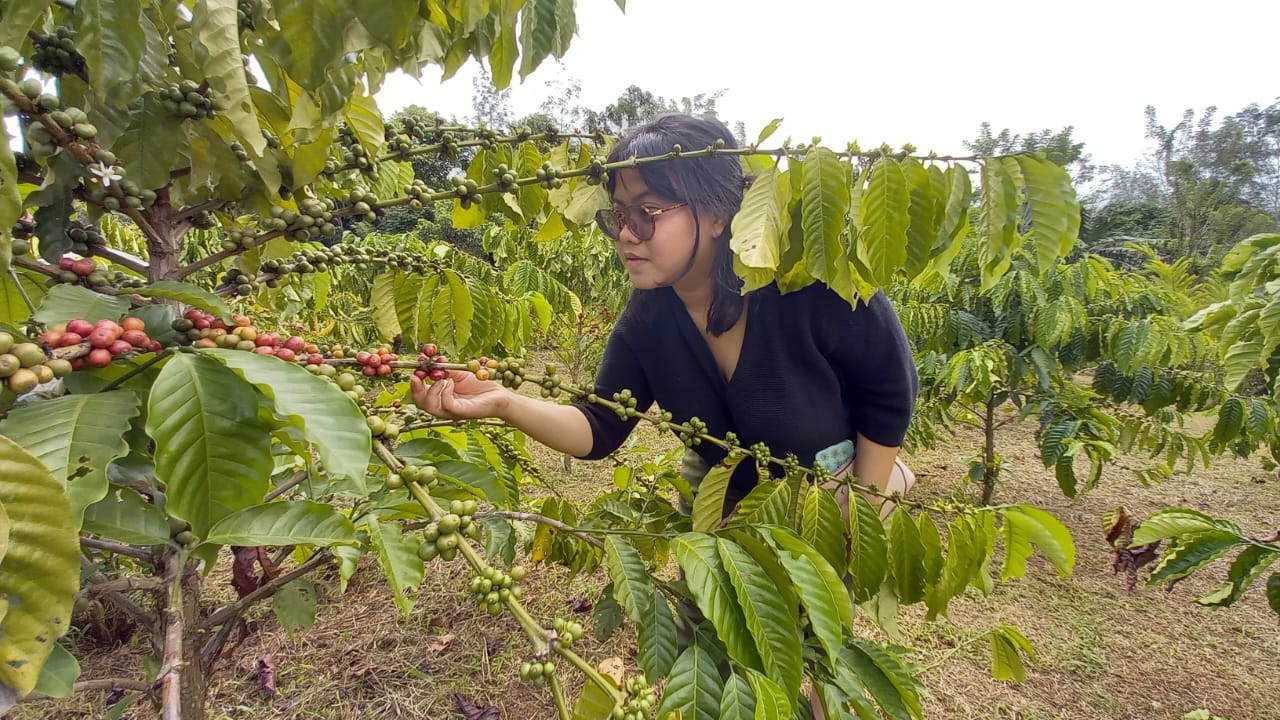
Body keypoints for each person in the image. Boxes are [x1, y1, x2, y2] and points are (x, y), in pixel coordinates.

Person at [409, 113, 917, 520]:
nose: (627, 234)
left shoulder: (805, 285)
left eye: (649, 212)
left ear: (718, 213)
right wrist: (504, 403)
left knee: (810, 642)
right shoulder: (649, 318)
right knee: (705, 632)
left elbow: (889, 387)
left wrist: (866, 504)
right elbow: (599, 425)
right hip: (724, 496)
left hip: (828, 494)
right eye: (620, 214)